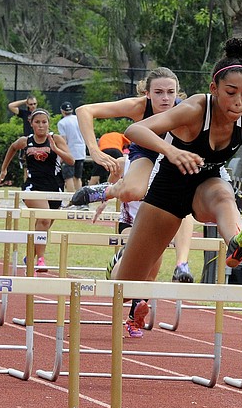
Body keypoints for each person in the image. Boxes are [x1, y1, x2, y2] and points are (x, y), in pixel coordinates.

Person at [111, 37, 242, 336]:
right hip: (169, 189)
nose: (239, 102)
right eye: (231, 93)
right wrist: (171, 151)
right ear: (214, 89)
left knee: (224, 193)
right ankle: (120, 261)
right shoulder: (194, 109)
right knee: (125, 287)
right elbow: (135, 129)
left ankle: (236, 243)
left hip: (206, 184)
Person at [72, 67, 196, 294]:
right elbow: (84, 110)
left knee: (184, 204)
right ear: (147, 93)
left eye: (170, 92)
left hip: (175, 155)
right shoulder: (139, 107)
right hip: (146, 151)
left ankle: (182, 264)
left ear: (178, 93)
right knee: (133, 192)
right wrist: (94, 150)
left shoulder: (187, 110)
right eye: (158, 92)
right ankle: (108, 190)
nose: (165, 98)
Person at [0, 108, 74, 272]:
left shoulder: (56, 139)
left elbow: (71, 160)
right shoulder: (25, 141)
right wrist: (4, 169)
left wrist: (56, 149)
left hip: (55, 188)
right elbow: (12, 148)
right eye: (37, 122)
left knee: (43, 225)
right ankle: (41, 260)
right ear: (31, 124)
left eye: (44, 122)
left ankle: (29, 257)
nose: (41, 125)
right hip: (33, 187)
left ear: (48, 124)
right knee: (44, 218)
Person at [55, 101, 86, 192]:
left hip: (70, 152)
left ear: (62, 111)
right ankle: (80, 197)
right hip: (81, 151)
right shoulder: (78, 119)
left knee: (68, 177)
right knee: (78, 177)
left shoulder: (62, 123)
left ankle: (71, 197)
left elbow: (64, 140)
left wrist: (61, 155)